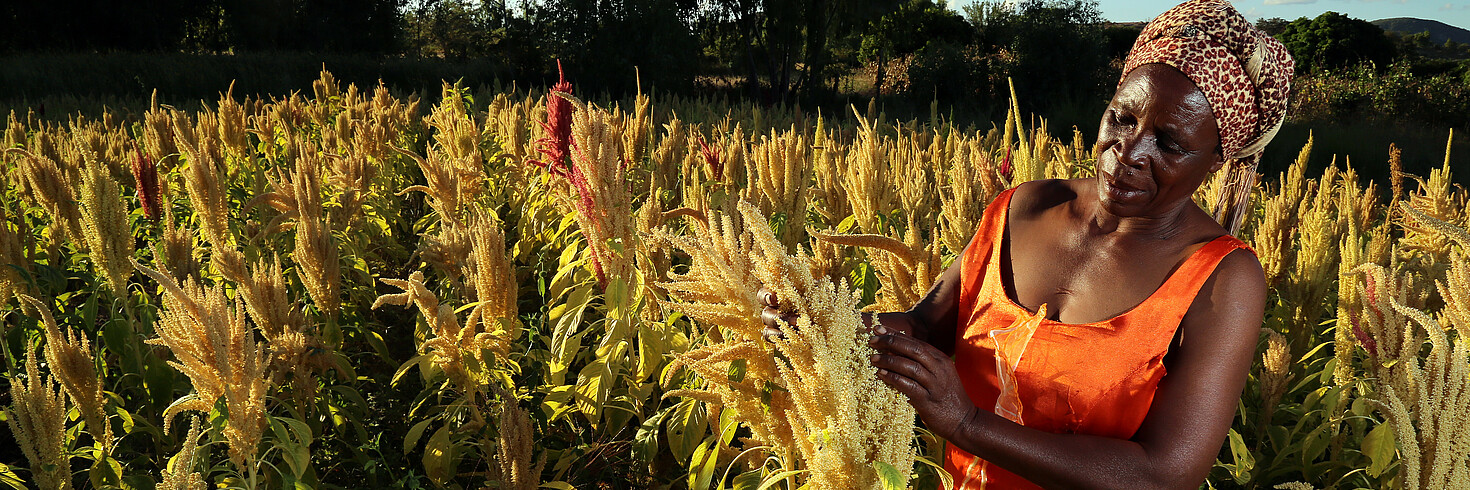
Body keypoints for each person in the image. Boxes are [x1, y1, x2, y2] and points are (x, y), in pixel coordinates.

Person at [761, 0, 1293, 487]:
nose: (1128, 151)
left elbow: (1162, 476)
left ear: (1219, 160)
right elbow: (925, 327)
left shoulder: (1221, 279)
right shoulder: (1024, 207)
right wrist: (825, 325)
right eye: (1123, 118)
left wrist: (968, 424)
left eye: (1169, 144)